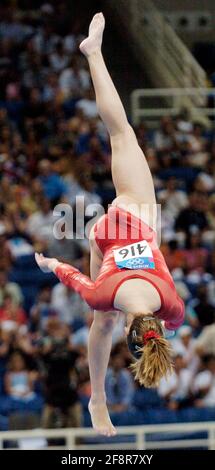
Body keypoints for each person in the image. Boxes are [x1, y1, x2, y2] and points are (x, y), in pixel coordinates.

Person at [35, 13, 184, 436]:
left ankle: (94, 54)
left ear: (153, 329)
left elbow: (161, 268)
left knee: (121, 134)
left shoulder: (172, 310)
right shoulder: (104, 297)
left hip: (136, 218)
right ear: (131, 331)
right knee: (99, 323)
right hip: (103, 236)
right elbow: (72, 276)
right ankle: (97, 398)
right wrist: (48, 265)